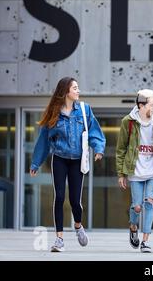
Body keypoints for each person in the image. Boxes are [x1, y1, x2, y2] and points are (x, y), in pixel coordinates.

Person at [30, 77, 106, 252]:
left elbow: (94, 131)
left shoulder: (85, 110)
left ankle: (78, 226)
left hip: (77, 160)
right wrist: (36, 163)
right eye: (75, 88)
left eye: (78, 88)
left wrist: (99, 149)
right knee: (59, 196)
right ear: (66, 91)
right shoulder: (54, 113)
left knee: (75, 201)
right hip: (60, 159)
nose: (78, 91)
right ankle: (59, 239)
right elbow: (43, 140)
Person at [116, 89, 153, 253]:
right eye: (151, 105)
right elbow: (121, 149)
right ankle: (133, 226)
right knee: (137, 206)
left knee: (149, 203)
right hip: (135, 170)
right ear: (141, 105)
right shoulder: (128, 122)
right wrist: (121, 173)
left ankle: (145, 241)